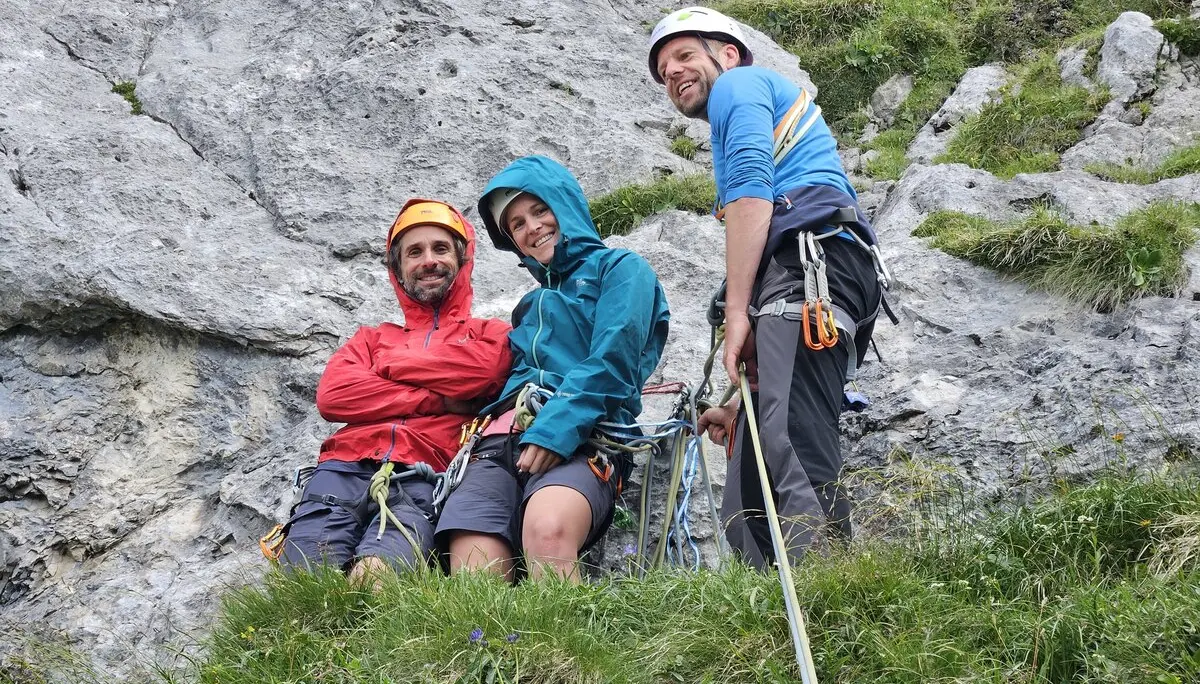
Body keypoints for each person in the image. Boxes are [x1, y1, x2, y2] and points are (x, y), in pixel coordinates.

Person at [648, 7, 887, 568]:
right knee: (745, 500)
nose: (673, 73)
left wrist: (736, 317)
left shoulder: (740, 84)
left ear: (726, 53)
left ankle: (835, 597)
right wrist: (740, 398)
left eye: (684, 56)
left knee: (792, 445)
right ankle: (772, 620)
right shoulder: (739, 108)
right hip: (804, 274)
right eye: (663, 71)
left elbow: (752, 192)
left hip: (811, 262)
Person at [435, 155, 670, 582]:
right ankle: (493, 650)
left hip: (584, 436)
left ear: (565, 205)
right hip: (498, 443)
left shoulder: (620, 270)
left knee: (548, 531)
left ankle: (564, 651)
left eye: (540, 210)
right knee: (473, 574)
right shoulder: (528, 306)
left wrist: (553, 429)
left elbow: (612, 360)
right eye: (517, 225)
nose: (532, 227)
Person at [277, 199, 512, 586]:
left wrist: (391, 367)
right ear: (397, 269)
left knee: (377, 581)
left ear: (463, 259)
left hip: (425, 474)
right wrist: (440, 400)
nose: (428, 261)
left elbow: (483, 374)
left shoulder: (490, 334)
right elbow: (334, 396)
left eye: (440, 249)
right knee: (303, 591)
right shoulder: (370, 338)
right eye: (413, 252)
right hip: (341, 470)